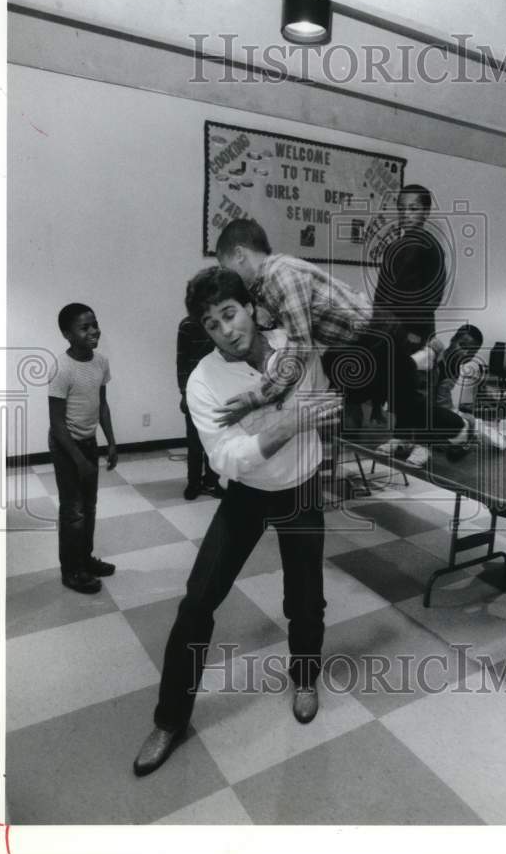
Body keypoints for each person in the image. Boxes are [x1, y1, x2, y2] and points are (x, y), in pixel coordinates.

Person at [133, 268, 341, 778]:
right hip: (247, 494)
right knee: (197, 602)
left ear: (250, 307)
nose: (225, 330)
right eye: (212, 324)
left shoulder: (294, 344)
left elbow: (324, 391)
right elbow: (226, 458)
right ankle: (170, 719)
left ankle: (305, 678)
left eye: (230, 314)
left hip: (301, 487)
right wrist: (289, 424)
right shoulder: (203, 382)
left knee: (305, 597)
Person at [213, 218, 433, 433]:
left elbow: (300, 345)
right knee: (336, 371)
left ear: (240, 254)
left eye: (225, 266)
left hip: (376, 332)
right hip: (356, 339)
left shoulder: (281, 275)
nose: (227, 274)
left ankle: (416, 360)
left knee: (405, 404)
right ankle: (408, 364)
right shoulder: (264, 284)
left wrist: (259, 396)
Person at [48, 303, 118, 595]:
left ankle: (85, 559)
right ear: (67, 334)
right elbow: (57, 423)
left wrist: (111, 442)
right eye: (84, 327)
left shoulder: (100, 363)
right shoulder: (62, 369)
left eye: (95, 324)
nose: (93, 331)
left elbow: (102, 406)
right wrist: (78, 460)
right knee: (73, 511)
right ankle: (72, 571)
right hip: (66, 446)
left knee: (89, 507)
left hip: (89, 443)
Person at [372, 183, 447, 352]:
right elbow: (381, 293)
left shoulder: (431, 247)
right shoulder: (392, 247)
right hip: (387, 328)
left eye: (413, 209)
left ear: (426, 212)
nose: (406, 214)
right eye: (401, 209)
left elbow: (432, 296)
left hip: (414, 332)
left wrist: (413, 331)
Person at [176, 315, 223, 500]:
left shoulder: (220, 322)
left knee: (215, 440)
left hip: (218, 390)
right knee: (194, 442)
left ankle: (212, 481)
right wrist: (184, 393)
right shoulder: (187, 324)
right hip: (194, 391)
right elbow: (181, 361)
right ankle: (193, 483)